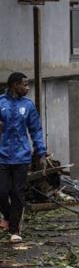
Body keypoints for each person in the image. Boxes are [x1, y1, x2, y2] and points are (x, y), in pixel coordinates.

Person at [0, 72, 47, 243]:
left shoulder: (28, 106)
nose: (27, 88)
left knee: (17, 192)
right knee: (2, 192)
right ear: (14, 85)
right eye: (24, 85)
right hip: (2, 156)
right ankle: (8, 216)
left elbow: (36, 130)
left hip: (21, 157)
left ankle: (15, 230)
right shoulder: (1, 103)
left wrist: (41, 152)